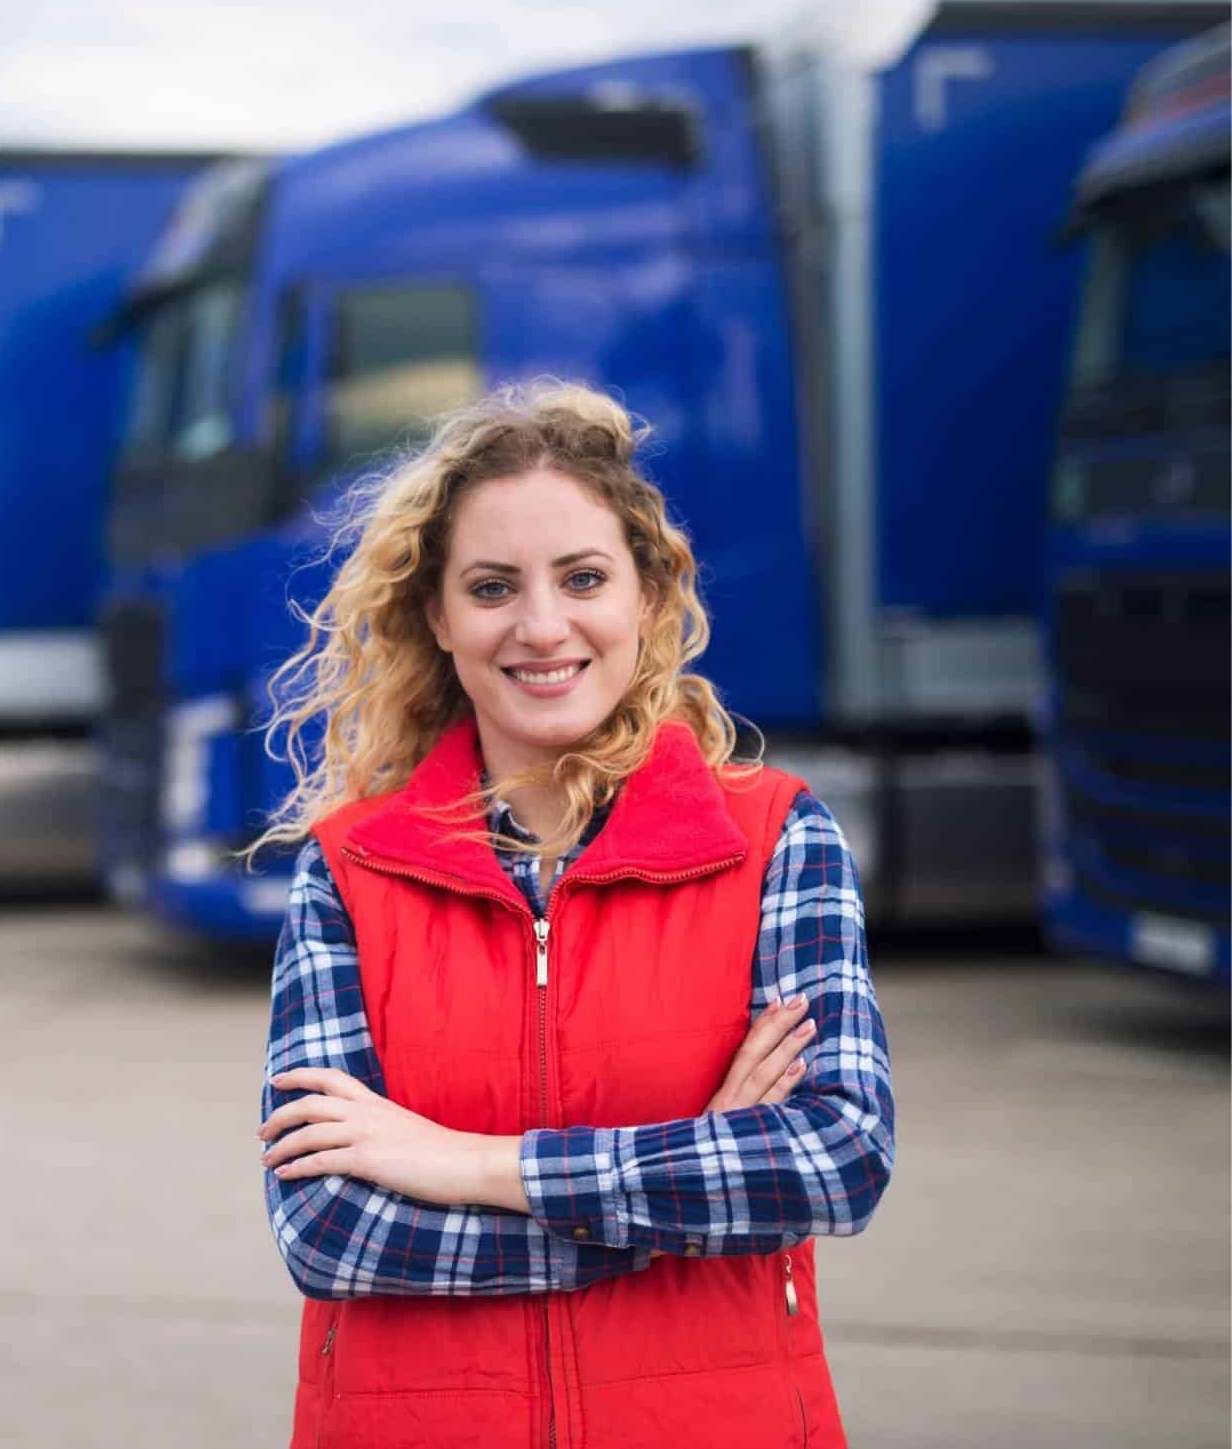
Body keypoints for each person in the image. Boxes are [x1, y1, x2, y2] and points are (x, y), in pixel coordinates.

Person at [249, 382, 894, 1449]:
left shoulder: (774, 838)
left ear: (645, 596)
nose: (541, 626)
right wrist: (681, 1191)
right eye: (492, 586)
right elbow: (330, 1232)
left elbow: (834, 1156)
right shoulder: (347, 870)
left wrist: (464, 1164)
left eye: (582, 577)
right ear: (437, 617)